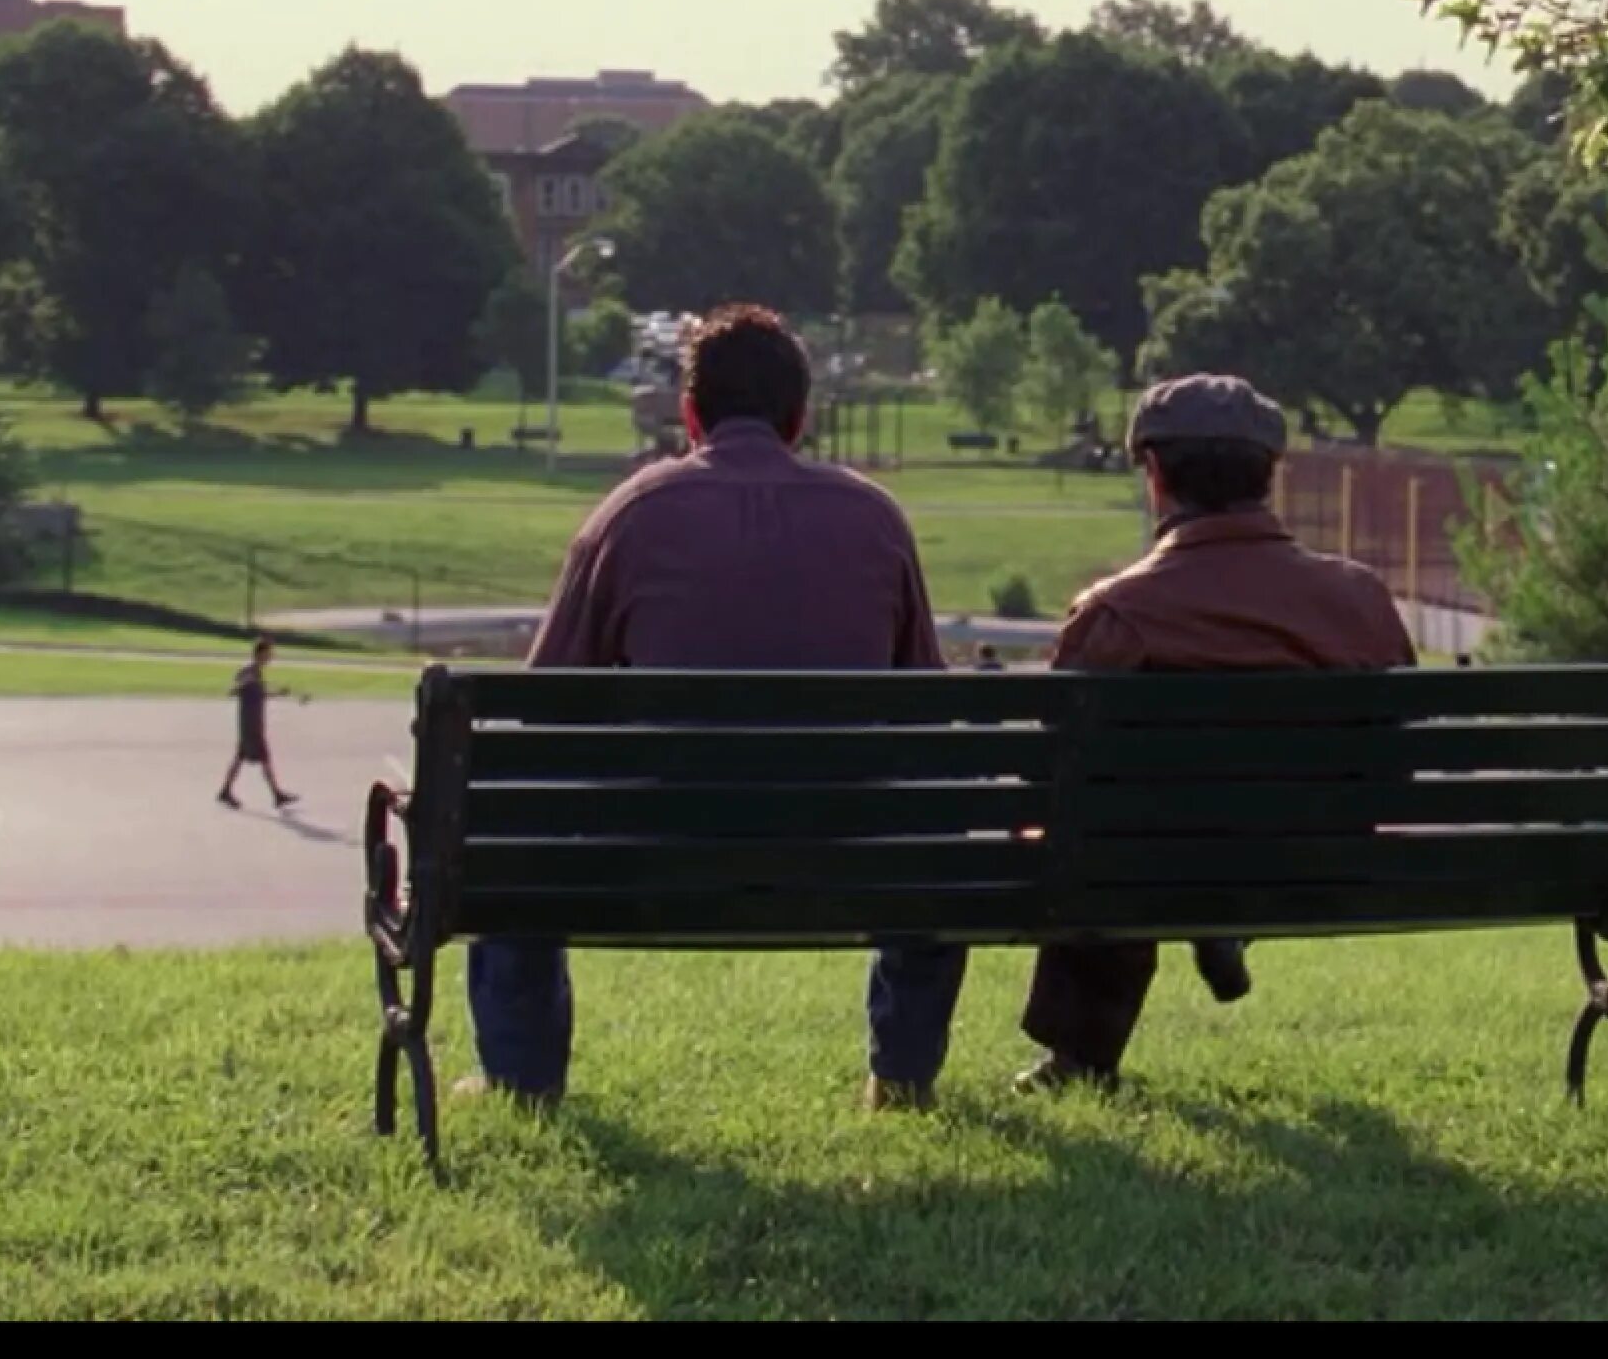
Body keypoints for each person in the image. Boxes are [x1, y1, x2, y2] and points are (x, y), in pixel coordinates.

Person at [462, 304, 962, 1114]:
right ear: (799, 419)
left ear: (690, 415)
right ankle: (901, 1079)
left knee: (510, 824)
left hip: (657, 846)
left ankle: (522, 1083)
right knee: (933, 825)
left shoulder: (631, 514)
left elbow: (543, 706)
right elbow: (926, 715)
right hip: (846, 849)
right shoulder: (875, 518)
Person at [1017, 373, 1417, 1095]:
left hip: (1144, 867)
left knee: (1102, 831)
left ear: (1156, 476)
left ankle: (1081, 1058)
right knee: (1121, 827)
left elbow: (1054, 782)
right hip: (1320, 859)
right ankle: (1217, 918)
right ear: (1269, 477)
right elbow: (1400, 758)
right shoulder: (1360, 599)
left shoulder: (1117, 616)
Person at [216, 637, 302, 810]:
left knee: (241, 757)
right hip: (250, 724)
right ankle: (277, 795)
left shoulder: (257, 673)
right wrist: (244, 682)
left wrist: (280, 693)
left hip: (252, 722)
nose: (271, 656)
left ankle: (225, 791)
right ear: (260, 653)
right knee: (264, 758)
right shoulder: (249, 671)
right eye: (269, 653)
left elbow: (261, 694)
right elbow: (234, 688)